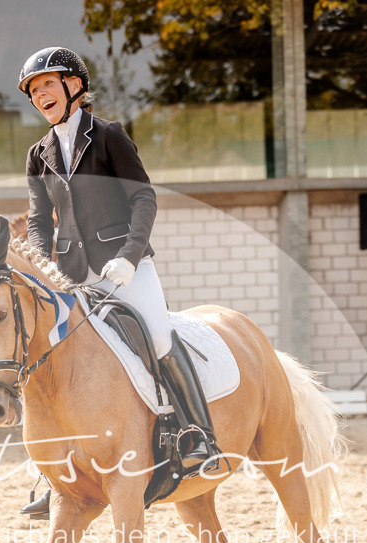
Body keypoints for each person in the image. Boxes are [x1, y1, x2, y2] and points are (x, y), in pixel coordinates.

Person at [16, 47, 225, 517]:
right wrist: (41, 268)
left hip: (123, 265)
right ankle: (58, 472)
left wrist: (130, 257)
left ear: (74, 85)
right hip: (72, 273)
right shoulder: (39, 155)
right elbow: (37, 222)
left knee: (156, 334)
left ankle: (197, 437)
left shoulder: (108, 136)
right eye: (34, 90)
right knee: (53, 357)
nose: (41, 94)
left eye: (48, 83)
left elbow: (144, 199)